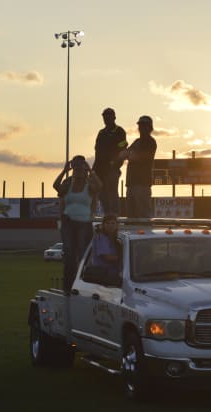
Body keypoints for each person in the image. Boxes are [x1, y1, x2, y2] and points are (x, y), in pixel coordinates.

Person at [53, 155, 101, 294]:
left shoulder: (89, 184)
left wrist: (91, 170)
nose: (78, 171)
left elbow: (99, 186)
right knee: (69, 254)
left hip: (84, 223)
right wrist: (64, 171)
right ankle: (68, 286)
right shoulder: (68, 184)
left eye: (81, 168)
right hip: (68, 221)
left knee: (82, 253)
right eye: (76, 168)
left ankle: (83, 285)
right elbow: (56, 186)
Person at [92, 107, 128, 215]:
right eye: (105, 116)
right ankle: (107, 217)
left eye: (109, 116)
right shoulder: (101, 132)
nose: (106, 118)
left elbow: (123, 147)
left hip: (112, 169)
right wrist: (94, 170)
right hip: (99, 170)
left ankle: (115, 218)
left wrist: (115, 164)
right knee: (102, 195)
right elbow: (97, 152)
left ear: (114, 117)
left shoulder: (119, 131)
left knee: (112, 195)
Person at [120, 115, 157, 218]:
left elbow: (136, 157)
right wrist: (128, 154)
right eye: (140, 125)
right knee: (131, 216)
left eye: (145, 125)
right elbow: (123, 155)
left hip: (142, 184)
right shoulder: (137, 141)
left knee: (143, 215)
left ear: (150, 128)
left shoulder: (150, 142)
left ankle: (145, 229)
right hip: (131, 183)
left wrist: (129, 154)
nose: (141, 128)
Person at [91, 213, 121, 277]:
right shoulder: (100, 237)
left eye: (113, 223)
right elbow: (107, 258)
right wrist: (126, 257)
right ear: (103, 225)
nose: (110, 226)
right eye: (107, 223)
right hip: (103, 276)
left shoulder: (116, 238)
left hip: (115, 274)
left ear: (117, 225)